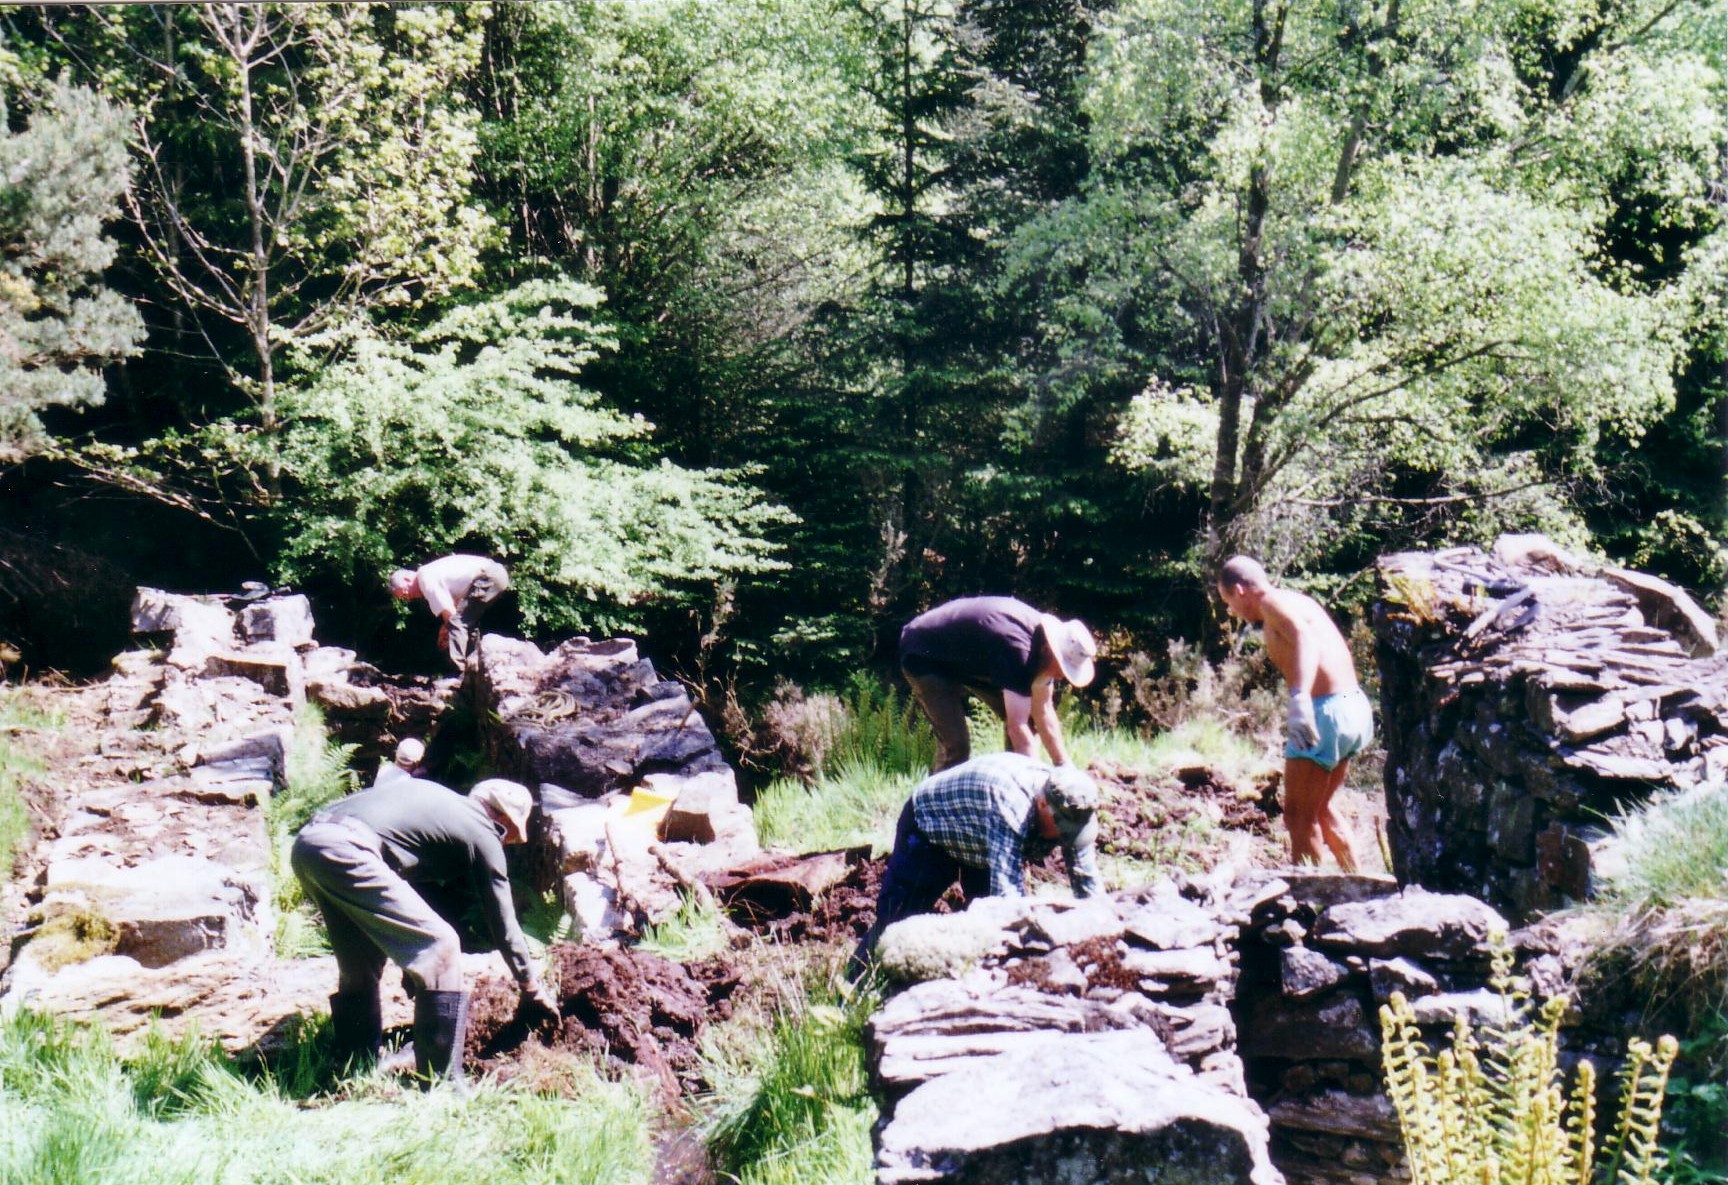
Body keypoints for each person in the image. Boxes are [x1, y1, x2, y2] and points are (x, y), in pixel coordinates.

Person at [290, 776, 558, 1083]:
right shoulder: (482, 828)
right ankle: (442, 1082)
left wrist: (413, 963)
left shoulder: (436, 803)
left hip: (310, 845)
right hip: (349, 849)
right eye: (509, 836)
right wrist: (530, 985)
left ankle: (354, 1064)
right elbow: (503, 922)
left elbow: (409, 891)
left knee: (360, 961)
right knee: (441, 946)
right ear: (503, 820)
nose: (505, 844)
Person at [850, 751, 1101, 976]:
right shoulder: (1012, 806)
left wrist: (1101, 941)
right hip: (932, 828)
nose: (1066, 837)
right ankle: (851, 986)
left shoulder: (1076, 806)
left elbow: (1088, 886)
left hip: (981, 839)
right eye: (1062, 828)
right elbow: (1009, 899)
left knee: (984, 933)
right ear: (1042, 803)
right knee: (896, 918)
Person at [1215, 555, 1371, 871]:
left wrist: (1300, 697)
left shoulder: (1271, 602)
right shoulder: (1297, 600)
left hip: (1325, 711)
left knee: (1298, 817)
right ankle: (1357, 882)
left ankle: (1307, 895)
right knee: (1320, 808)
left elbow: (1305, 639)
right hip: (1353, 705)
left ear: (1240, 591)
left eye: (1229, 602)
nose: (1233, 611)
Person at [898, 596, 1097, 772]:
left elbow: (1043, 711)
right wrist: (1035, 781)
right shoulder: (1019, 651)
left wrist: (1064, 766)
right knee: (957, 745)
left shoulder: (1042, 649)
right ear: (1049, 649)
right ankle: (936, 799)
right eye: (1062, 667)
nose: (1062, 676)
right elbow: (1017, 727)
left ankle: (1011, 784)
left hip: (965, 655)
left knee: (1030, 721)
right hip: (923, 653)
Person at [389, 555, 510, 667]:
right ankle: (474, 667)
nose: (409, 597)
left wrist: (446, 631)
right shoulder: (430, 572)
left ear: (407, 579)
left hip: (488, 576)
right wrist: (446, 628)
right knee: (466, 624)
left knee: (457, 623)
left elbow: (451, 616)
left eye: (405, 593)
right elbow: (456, 610)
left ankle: (460, 670)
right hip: (495, 574)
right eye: (405, 598)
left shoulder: (425, 579)